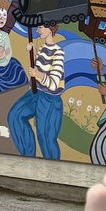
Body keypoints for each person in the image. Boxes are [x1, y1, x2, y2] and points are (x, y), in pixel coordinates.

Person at [8, 21, 67, 159]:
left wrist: (38, 75)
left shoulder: (58, 52)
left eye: (41, 27)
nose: (38, 30)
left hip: (50, 99)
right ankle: (28, 156)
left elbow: (53, 83)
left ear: (50, 28)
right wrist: (34, 51)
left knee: (45, 136)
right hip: (36, 93)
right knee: (15, 115)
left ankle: (52, 171)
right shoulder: (42, 48)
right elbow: (39, 66)